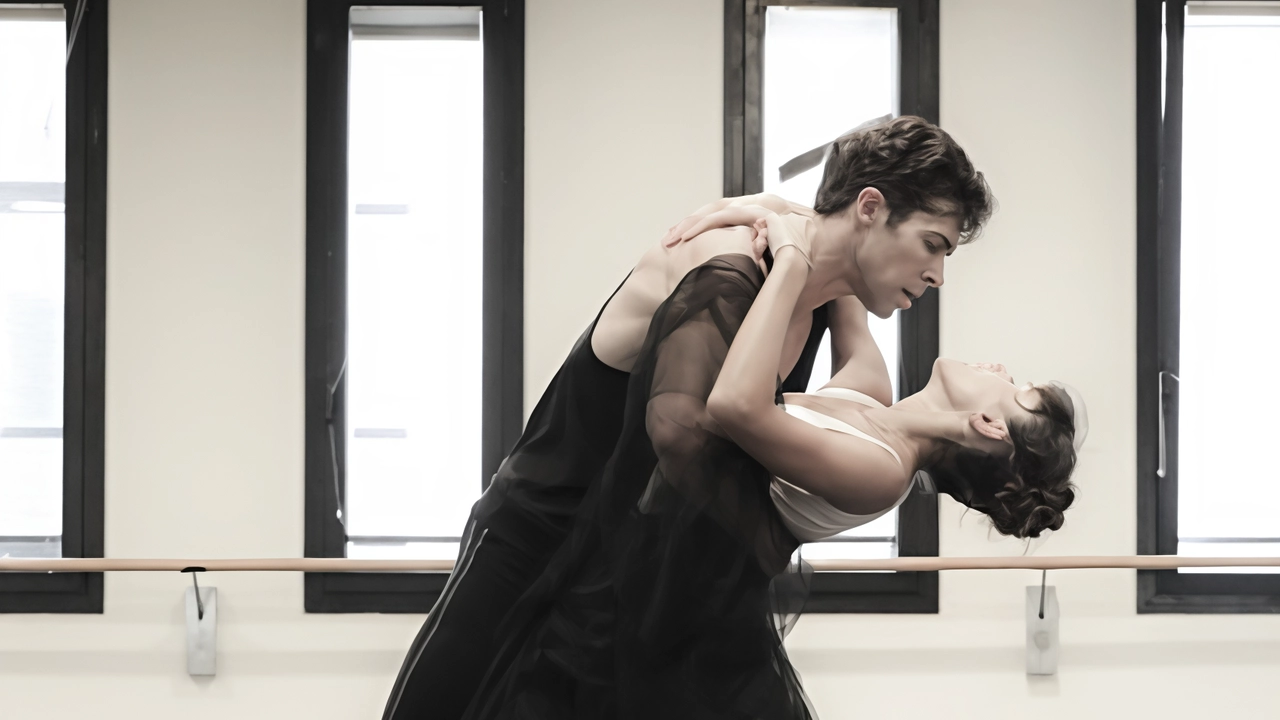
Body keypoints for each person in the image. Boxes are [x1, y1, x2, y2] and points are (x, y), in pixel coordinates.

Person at [382, 115, 994, 720]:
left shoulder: (812, 282)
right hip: (537, 536)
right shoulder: (728, 261)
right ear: (869, 208)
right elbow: (683, 437)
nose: (938, 274)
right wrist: (770, 544)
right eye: (932, 245)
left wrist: (788, 216)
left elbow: (854, 353)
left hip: (627, 577)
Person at [459, 213, 1084, 719]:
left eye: (1017, 387)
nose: (1001, 369)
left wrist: (787, 261)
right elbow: (846, 266)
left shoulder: (882, 473)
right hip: (644, 583)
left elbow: (734, 406)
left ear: (990, 426)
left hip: (675, 630)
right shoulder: (871, 400)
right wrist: (762, 210)